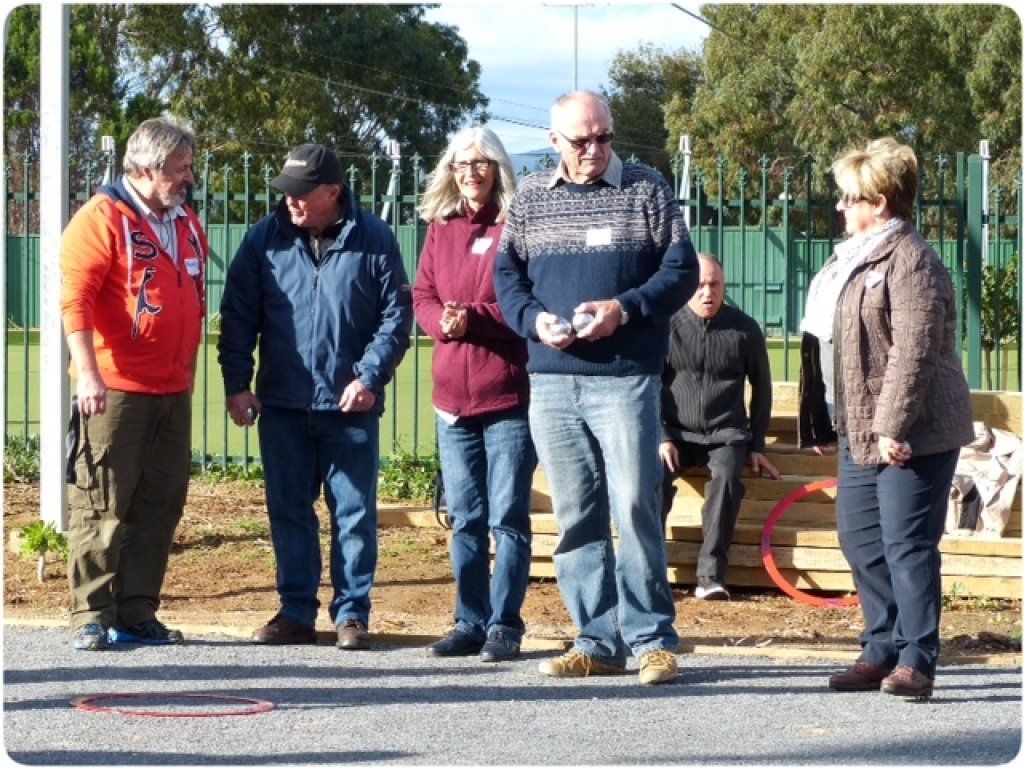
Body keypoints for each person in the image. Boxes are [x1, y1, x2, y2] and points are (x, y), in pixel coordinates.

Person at [495, 90, 698, 685]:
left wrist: (625, 309)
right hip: (553, 381)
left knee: (635, 506)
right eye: (581, 140)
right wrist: (534, 321)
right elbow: (507, 277)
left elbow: (681, 270)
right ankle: (595, 638)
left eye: (604, 137)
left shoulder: (646, 189)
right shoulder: (531, 197)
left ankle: (652, 640)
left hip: (625, 379)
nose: (594, 150)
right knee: (576, 514)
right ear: (554, 139)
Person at [218, 143, 412, 650]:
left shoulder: (375, 240)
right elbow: (238, 314)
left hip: (351, 408)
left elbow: (396, 319)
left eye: (302, 194)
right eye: (287, 194)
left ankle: (352, 615)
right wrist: (237, 384)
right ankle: (296, 612)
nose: (291, 203)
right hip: (282, 405)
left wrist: (369, 378)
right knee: (288, 511)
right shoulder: (264, 240)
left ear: (333, 191)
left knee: (353, 513)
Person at [798, 138, 973, 699]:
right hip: (858, 427)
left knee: (907, 544)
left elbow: (914, 348)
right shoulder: (851, 258)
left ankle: (917, 659)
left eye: (849, 198)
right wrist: (825, 420)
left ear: (879, 200)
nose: (841, 208)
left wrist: (893, 425)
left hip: (911, 429)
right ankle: (881, 647)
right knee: (860, 540)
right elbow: (827, 343)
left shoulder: (910, 258)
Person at [59, 117, 207, 650]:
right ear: (145, 167)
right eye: (179, 168)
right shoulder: (100, 219)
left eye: (188, 167)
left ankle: (138, 609)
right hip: (116, 389)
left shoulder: (185, 221)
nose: (189, 177)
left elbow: (193, 291)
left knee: (160, 502)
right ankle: (91, 613)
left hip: (173, 389)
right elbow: (73, 301)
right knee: (103, 502)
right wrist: (88, 375)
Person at [412, 127, 536, 663]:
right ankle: (469, 619)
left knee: (507, 517)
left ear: (498, 169)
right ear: (450, 171)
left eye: (482, 162)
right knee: (465, 517)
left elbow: (528, 302)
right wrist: (442, 321)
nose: (471, 172)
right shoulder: (441, 229)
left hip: (506, 396)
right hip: (452, 403)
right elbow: (422, 295)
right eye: (462, 164)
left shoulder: (517, 226)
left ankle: (505, 625)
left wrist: (475, 321)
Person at [660, 253, 780, 601]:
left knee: (727, 479)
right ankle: (652, 572)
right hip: (677, 434)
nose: (707, 293)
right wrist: (661, 436)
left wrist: (757, 445)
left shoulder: (745, 329)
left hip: (727, 434)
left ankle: (710, 576)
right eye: (699, 285)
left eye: (714, 285)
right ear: (687, 288)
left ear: (724, 286)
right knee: (652, 480)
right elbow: (649, 384)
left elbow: (763, 388)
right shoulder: (666, 327)